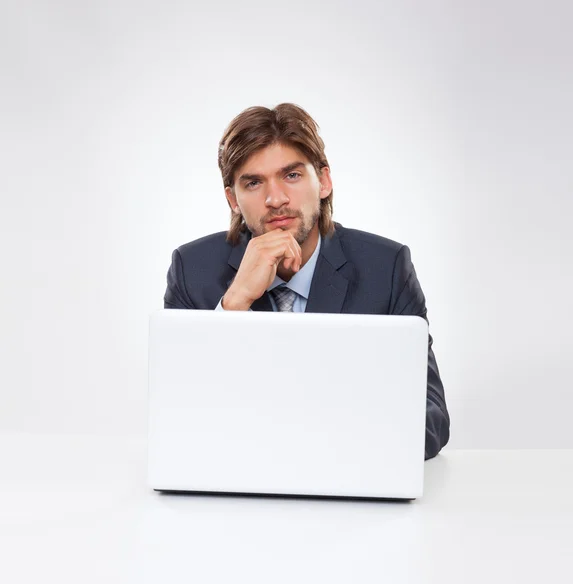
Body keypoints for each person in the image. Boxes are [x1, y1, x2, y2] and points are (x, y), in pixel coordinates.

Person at [164, 103, 451, 460]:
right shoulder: (193, 270)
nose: (276, 199)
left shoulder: (386, 267)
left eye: (292, 176)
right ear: (232, 200)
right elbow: (176, 414)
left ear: (324, 181)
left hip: (349, 486)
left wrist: (323, 446)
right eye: (253, 183)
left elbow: (432, 419)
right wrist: (234, 302)